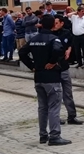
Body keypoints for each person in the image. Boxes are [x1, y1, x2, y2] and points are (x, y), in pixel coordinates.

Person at [18, 15, 72, 146]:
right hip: (51, 78)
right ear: (53, 24)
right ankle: (55, 136)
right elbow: (58, 50)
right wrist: (53, 62)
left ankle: (43, 135)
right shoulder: (54, 39)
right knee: (54, 107)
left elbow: (22, 53)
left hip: (38, 78)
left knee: (42, 107)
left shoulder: (34, 39)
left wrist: (32, 66)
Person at [53, 15, 83, 125]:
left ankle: (72, 116)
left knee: (68, 93)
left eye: (56, 23)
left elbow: (71, 42)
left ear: (61, 23)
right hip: (54, 68)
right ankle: (55, 117)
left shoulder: (66, 32)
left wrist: (69, 49)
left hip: (64, 66)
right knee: (56, 95)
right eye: (53, 23)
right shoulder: (50, 34)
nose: (54, 25)